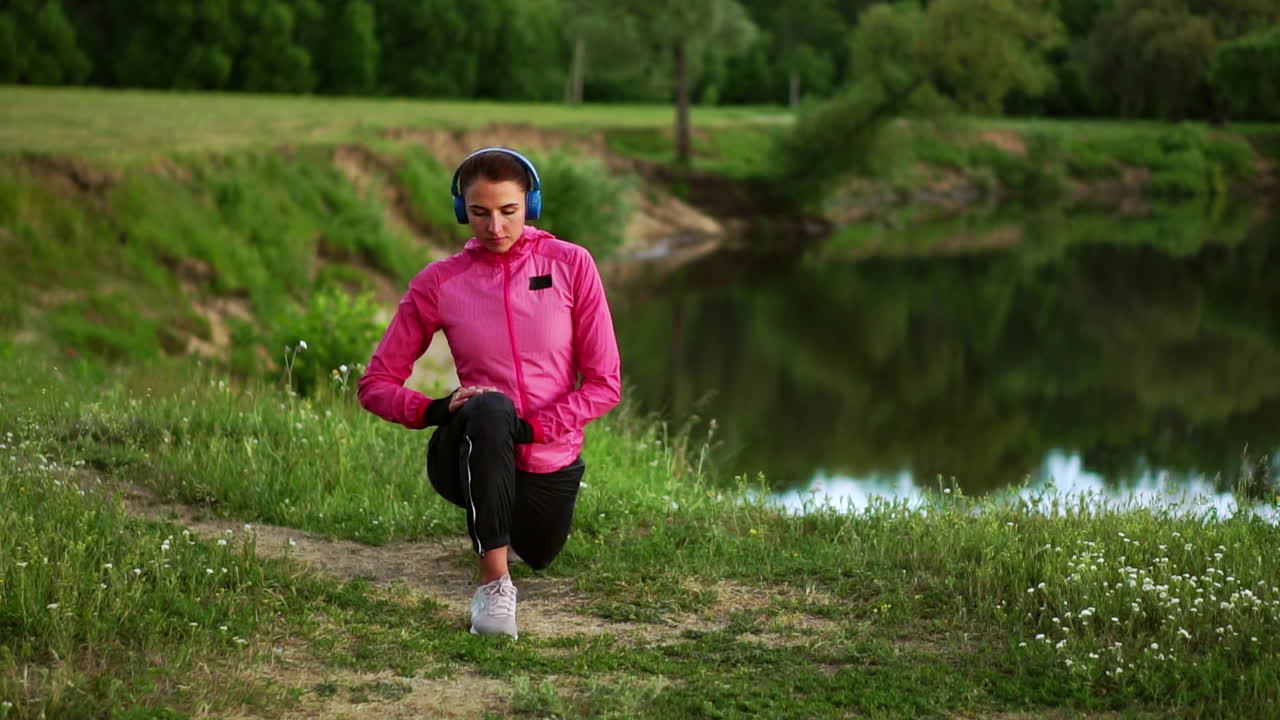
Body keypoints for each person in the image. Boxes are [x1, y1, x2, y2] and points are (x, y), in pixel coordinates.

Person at [357, 147, 622, 639]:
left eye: (508, 211)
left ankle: (500, 530)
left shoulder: (572, 265)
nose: (494, 227)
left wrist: (537, 427)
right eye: (479, 213)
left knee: (540, 552)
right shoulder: (439, 282)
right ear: (463, 211)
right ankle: (494, 587)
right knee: (491, 407)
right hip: (469, 446)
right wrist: (434, 408)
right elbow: (374, 386)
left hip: (548, 456)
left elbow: (605, 384)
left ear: (532, 206)